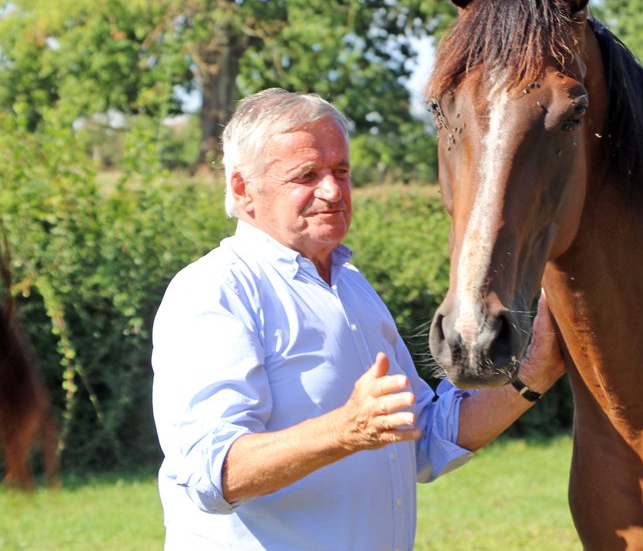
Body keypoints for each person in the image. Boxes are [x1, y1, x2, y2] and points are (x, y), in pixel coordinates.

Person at [151, 88, 565, 550]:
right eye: (306, 175)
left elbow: (423, 439)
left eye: (341, 171)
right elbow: (211, 474)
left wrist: (536, 370)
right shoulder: (215, 290)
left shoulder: (350, 285)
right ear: (244, 189)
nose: (332, 191)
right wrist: (346, 429)